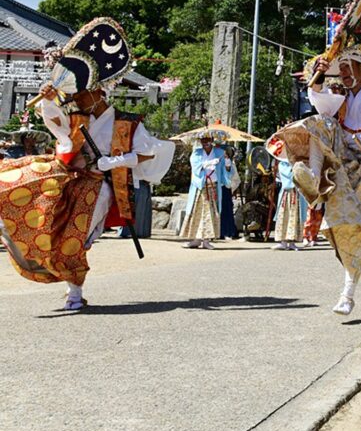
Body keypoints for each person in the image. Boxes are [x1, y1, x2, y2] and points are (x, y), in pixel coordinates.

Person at [0, 17, 173, 311]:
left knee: (74, 237)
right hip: (66, 174)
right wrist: (49, 100)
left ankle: (74, 294)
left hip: (98, 186)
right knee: (15, 180)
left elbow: (153, 153)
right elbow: (55, 124)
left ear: (99, 93)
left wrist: (118, 160)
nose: (77, 97)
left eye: (83, 93)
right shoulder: (77, 116)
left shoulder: (126, 123)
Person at [268, 0, 361, 316]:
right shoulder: (341, 100)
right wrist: (317, 81)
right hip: (339, 162)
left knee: (352, 229)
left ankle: (348, 290)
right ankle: (313, 175)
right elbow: (319, 102)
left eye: (349, 67)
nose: (343, 73)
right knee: (321, 121)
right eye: (341, 68)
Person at [182, 133, 230, 250]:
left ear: (212, 140)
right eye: (203, 140)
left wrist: (227, 168)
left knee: (210, 213)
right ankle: (196, 239)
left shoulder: (219, 153)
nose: (205, 142)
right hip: (201, 188)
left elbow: (224, 169)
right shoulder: (196, 153)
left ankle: (206, 240)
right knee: (197, 213)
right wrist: (207, 163)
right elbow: (195, 168)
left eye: (208, 140)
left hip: (213, 186)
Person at [273, 159, 309, 250]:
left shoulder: (298, 162)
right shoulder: (282, 164)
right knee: (284, 216)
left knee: (295, 216)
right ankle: (283, 242)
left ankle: (292, 242)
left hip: (297, 193)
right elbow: (289, 175)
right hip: (287, 192)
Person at [218, 146, 241, 240]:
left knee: (225, 210)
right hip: (220, 187)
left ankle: (227, 231)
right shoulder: (219, 161)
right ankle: (222, 231)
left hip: (225, 188)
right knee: (222, 210)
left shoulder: (229, 162)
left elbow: (233, 176)